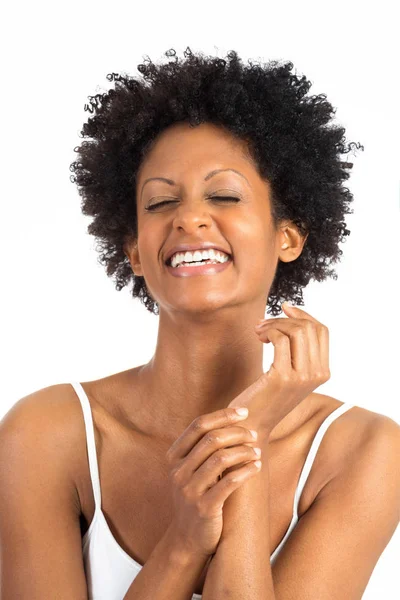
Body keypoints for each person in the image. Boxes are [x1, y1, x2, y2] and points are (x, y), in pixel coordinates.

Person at [1, 47, 399, 600]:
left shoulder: (362, 451)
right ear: (135, 251)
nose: (189, 216)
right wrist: (185, 542)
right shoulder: (46, 435)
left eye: (223, 194)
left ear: (288, 236)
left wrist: (247, 437)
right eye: (160, 202)